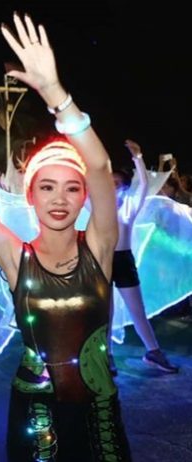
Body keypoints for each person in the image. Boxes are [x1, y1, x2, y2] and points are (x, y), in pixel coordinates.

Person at [0, 14, 131, 461]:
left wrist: (55, 93)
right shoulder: (13, 256)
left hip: (99, 412)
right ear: (30, 195)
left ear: (84, 197)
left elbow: (99, 166)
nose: (59, 198)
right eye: (47, 187)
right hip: (36, 414)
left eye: (71, 188)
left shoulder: (99, 246)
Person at [110, 140, 178, 373]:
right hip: (101, 261)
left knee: (136, 310)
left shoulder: (129, 206)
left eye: (116, 183)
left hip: (123, 261)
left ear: (124, 187)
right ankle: (105, 356)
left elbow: (145, 185)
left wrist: (138, 158)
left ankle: (154, 352)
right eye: (109, 183)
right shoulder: (96, 206)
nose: (112, 186)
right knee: (106, 312)